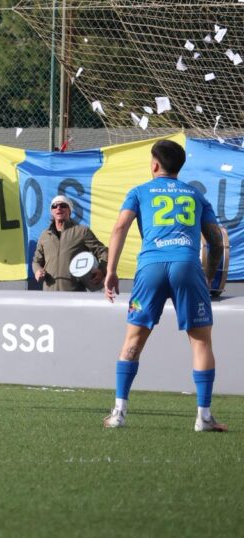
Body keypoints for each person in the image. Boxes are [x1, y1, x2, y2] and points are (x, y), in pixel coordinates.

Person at [103, 139, 227, 432]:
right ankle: (203, 417)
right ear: (178, 167)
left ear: (155, 164)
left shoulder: (139, 191)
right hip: (187, 265)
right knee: (201, 341)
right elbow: (215, 241)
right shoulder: (195, 195)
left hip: (151, 268)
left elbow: (120, 227)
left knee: (133, 340)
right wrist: (207, 277)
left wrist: (111, 271)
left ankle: (119, 413)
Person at [32, 195, 108, 291]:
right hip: (49, 293)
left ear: (69, 210)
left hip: (74, 293)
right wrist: (37, 270)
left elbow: (103, 252)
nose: (58, 208)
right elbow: (36, 261)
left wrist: (102, 270)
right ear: (52, 211)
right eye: (54, 206)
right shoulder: (45, 235)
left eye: (63, 205)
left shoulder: (81, 231)